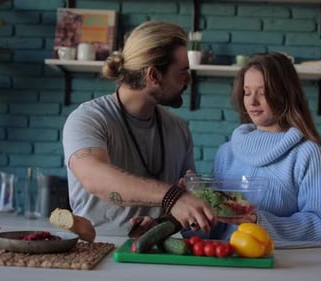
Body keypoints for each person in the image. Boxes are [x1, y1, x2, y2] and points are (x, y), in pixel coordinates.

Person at [62, 21, 216, 236]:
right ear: (153, 76)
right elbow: (95, 178)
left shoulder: (179, 128)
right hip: (94, 256)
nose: (188, 79)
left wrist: (164, 221)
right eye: (182, 72)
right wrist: (173, 196)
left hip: (160, 257)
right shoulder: (88, 118)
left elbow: (184, 204)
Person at [184, 52, 321, 248]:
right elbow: (217, 229)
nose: (252, 101)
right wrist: (194, 202)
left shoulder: (307, 154)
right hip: (226, 262)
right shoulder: (227, 153)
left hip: (283, 268)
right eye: (247, 92)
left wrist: (258, 223)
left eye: (263, 92)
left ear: (285, 94)